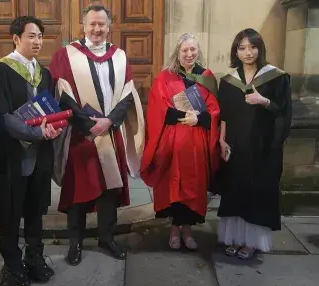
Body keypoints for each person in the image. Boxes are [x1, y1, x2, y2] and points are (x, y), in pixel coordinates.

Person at [49, 4, 145, 266]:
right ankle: (75, 243)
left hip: (110, 133)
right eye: (92, 24)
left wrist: (110, 121)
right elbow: (63, 94)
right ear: (83, 25)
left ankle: (107, 238)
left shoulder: (120, 56)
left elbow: (127, 94)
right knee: (78, 190)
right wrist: (88, 124)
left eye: (102, 24)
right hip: (81, 135)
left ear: (109, 25)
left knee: (108, 192)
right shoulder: (65, 55)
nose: (97, 29)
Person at [0, 16, 60, 286]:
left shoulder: (45, 73)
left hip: (39, 157)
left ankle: (35, 256)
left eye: (39, 36)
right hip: (11, 157)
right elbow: (1, 116)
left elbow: (50, 112)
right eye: (31, 36)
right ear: (16, 38)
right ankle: (12, 264)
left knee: (36, 210)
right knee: (10, 213)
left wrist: (53, 128)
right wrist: (37, 133)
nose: (37, 41)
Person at [216, 28, 292, 259]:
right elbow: (224, 115)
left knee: (256, 193)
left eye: (252, 47)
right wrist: (221, 140)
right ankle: (236, 238)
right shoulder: (229, 82)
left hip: (263, 147)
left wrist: (264, 101)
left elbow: (285, 111)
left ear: (260, 49)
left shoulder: (276, 78)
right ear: (236, 52)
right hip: (236, 145)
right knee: (236, 190)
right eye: (242, 48)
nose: (248, 52)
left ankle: (251, 243)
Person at [140, 33, 220, 250]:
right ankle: (175, 231)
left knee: (194, 187)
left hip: (197, 142)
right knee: (174, 185)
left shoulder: (206, 76)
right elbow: (158, 109)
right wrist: (184, 116)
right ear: (178, 52)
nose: (189, 54)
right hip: (173, 140)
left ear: (198, 51)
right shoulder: (165, 77)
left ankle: (188, 231)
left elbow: (214, 109)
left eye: (192, 49)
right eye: (184, 50)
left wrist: (200, 118)